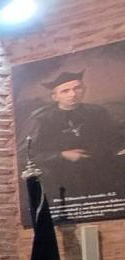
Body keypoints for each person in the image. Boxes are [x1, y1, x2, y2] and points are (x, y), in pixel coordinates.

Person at [21, 71, 125, 201]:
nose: (73, 94)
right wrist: (61, 155)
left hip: (101, 173)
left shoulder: (97, 112)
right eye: (65, 91)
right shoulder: (41, 119)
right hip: (62, 178)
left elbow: (115, 138)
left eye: (77, 88)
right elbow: (25, 154)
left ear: (84, 89)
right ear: (55, 97)